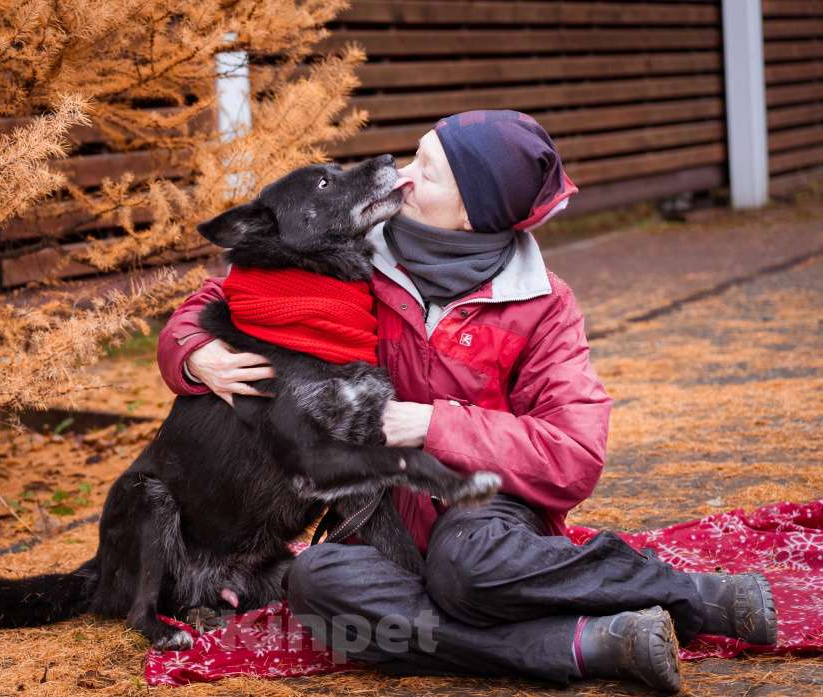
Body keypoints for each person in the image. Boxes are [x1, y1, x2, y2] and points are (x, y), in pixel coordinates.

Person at [156, 110, 777, 692]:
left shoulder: (542, 306)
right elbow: (228, 292)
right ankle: (586, 643)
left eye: (425, 172)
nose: (400, 175)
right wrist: (192, 353)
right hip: (379, 523)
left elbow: (574, 454)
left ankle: (686, 596)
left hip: (486, 516)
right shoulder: (355, 258)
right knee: (318, 584)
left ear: (470, 215)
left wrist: (433, 424)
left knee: (467, 562)